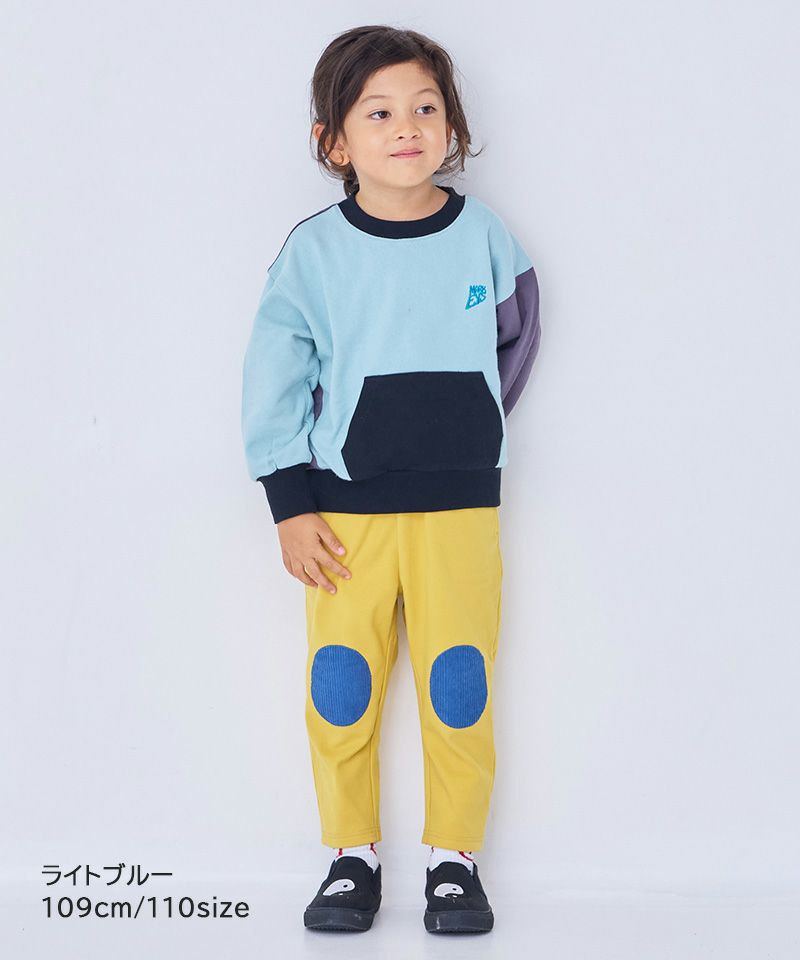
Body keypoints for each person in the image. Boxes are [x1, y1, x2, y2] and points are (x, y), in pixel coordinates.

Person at [241, 24, 541, 934]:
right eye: (378, 112)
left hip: (460, 510)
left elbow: (516, 341)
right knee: (341, 686)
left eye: (425, 107)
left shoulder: (484, 237)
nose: (406, 126)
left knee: (459, 685)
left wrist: (466, 423)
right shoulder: (314, 253)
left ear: (451, 127)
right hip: (344, 515)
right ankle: (351, 857)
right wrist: (290, 500)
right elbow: (274, 377)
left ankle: (455, 862)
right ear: (334, 141)